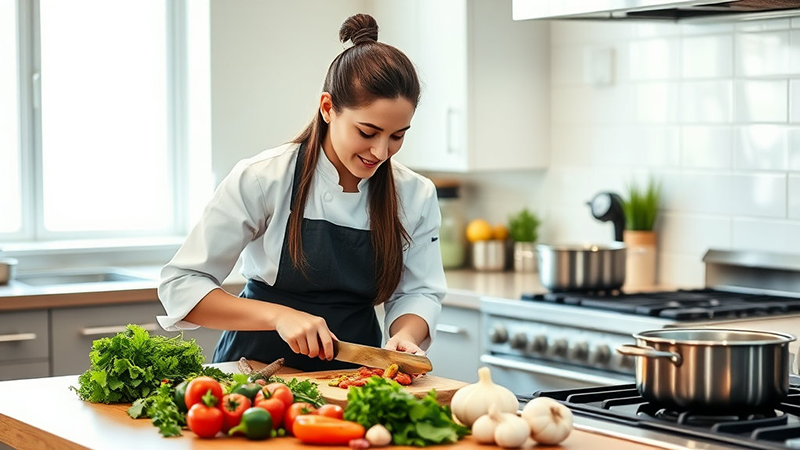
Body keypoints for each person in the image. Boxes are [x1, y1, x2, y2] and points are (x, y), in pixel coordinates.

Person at [157, 13, 446, 372]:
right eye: (368, 132)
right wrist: (279, 316)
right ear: (328, 108)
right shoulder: (264, 178)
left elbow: (419, 292)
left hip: (354, 375)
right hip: (255, 371)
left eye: (398, 135)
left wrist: (407, 334)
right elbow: (182, 284)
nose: (381, 152)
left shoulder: (414, 194)